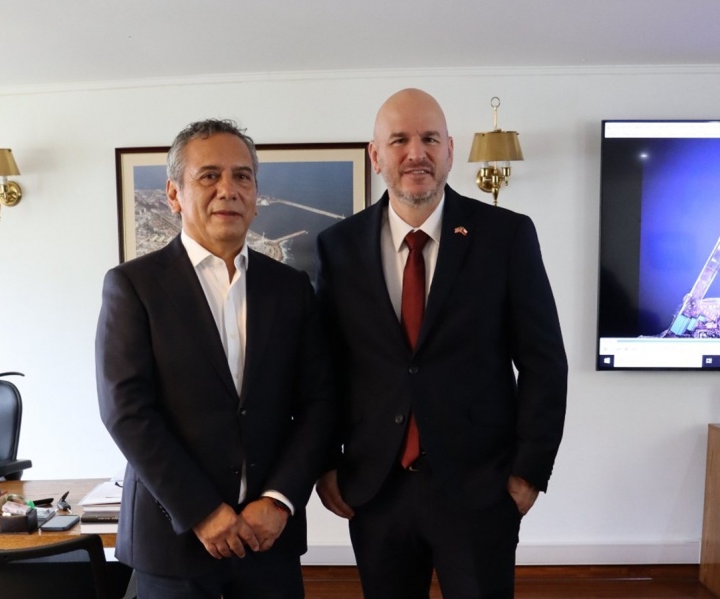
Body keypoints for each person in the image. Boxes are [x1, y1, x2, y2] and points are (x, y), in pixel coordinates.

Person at [314, 89, 568, 598]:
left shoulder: (506, 236)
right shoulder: (338, 247)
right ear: (376, 155)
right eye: (400, 140)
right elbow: (324, 369)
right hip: (376, 489)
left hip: (481, 489)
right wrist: (326, 464)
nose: (417, 153)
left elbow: (544, 362)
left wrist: (528, 473)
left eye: (430, 139)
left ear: (449, 151)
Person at [96, 119, 335, 599]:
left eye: (242, 176)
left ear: (255, 194)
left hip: (268, 541)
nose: (228, 189)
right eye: (209, 175)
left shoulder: (290, 289)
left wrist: (279, 500)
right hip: (173, 542)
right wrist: (202, 511)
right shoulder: (134, 286)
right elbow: (126, 411)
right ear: (174, 194)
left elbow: (320, 404)